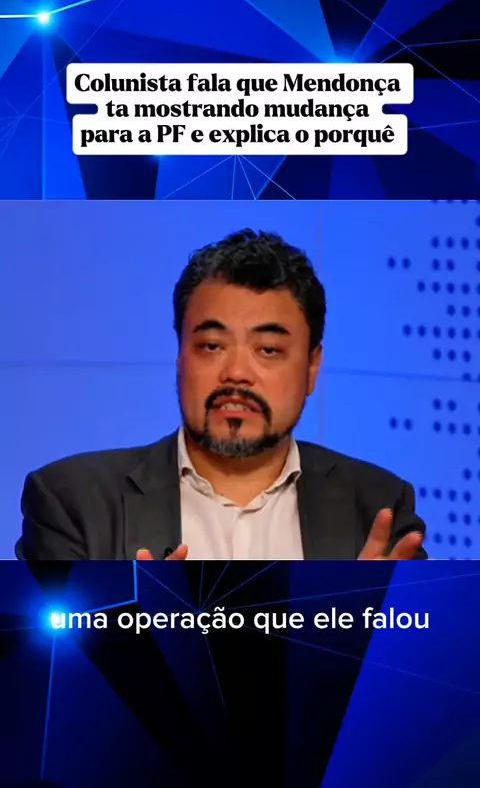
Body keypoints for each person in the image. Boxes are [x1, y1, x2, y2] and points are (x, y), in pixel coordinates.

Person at [16, 229, 427, 561]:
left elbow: (424, 639)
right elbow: (44, 642)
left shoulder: (377, 507)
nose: (236, 373)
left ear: (311, 368)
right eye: (212, 346)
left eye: (268, 350)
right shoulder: (74, 503)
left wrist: (362, 624)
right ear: (180, 356)